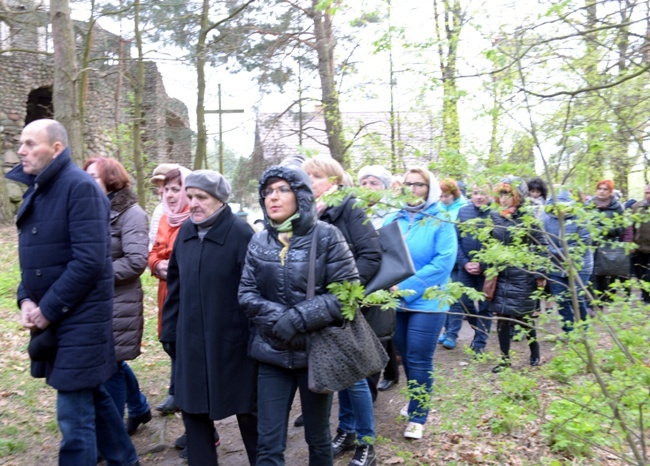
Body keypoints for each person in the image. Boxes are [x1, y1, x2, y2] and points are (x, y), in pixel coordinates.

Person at [6, 119, 140, 465]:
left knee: (74, 421)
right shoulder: (42, 188)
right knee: (93, 399)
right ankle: (126, 460)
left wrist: (47, 309)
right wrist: (26, 298)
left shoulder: (80, 188)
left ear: (56, 149)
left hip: (81, 321)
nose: (22, 150)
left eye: (31, 143)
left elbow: (89, 263)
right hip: (60, 316)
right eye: (21, 143)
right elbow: (38, 260)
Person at [238, 163, 359, 466]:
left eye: (282, 190)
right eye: (268, 191)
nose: (273, 197)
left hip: (315, 354)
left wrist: (300, 318)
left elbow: (347, 295)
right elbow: (246, 294)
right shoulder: (259, 240)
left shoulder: (328, 236)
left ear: (301, 196)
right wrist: (281, 319)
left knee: (318, 439)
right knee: (268, 444)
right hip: (272, 353)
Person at [161, 170, 258, 465]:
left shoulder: (241, 234)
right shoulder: (185, 235)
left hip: (233, 346)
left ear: (220, 200)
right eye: (190, 196)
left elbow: (255, 292)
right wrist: (169, 333)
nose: (193, 203)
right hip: (190, 344)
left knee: (250, 414)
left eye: (201, 197)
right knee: (193, 413)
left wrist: (254, 339)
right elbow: (174, 289)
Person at [304, 156, 382, 466]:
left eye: (317, 176)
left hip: (342, 303)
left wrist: (346, 290)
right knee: (339, 373)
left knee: (355, 376)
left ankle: (366, 442)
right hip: (315, 307)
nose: (310, 181)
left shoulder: (349, 207)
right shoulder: (308, 213)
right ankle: (347, 430)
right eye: (307, 175)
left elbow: (371, 255)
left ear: (334, 181)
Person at [384, 167, 458, 440]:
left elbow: (442, 264)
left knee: (419, 357)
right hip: (396, 302)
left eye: (419, 184)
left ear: (430, 189)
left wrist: (403, 287)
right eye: (408, 184)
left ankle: (418, 416)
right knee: (405, 357)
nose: (412, 189)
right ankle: (416, 400)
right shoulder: (393, 217)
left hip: (429, 302)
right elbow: (381, 253)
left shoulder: (442, 219)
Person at [83, 157, 152, 435]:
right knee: (113, 361)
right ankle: (138, 407)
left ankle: (112, 436)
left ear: (111, 180)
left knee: (111, 363)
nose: (87, 181)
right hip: (92, 301)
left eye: (93, 176)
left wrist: (93, 273)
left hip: (118, 302)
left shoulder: (132, 214)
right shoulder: (88, 209)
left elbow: (137, 261)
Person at [489, 177, 547, 373]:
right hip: (500, 275)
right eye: (501, 194)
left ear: (518, 196)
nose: (503, 199)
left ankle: (535, 352)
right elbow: (487, 243)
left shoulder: (528, 217)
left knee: (525, 318)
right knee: (502, 318)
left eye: (508, 194)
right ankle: (505, 360)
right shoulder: (494, 216)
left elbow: (542, 245)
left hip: (522, 275)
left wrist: (539, 273)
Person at [148, 166, 191, 418]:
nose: (170, 195)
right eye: (166, 190)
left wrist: (173, 264)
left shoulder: (193, 217)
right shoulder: (165, 217)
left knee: (183, 345)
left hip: (186, 293)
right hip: (166, 291)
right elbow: (153, 250)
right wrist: (156, 264)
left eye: (176, 189)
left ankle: (182, 397)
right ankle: (176, 392)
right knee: (169, 341)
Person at [358, 165, 400, 392]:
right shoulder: (355, 212)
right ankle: (392, 372)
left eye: (374, 183)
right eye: (363, 183)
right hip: (362, 283)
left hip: (385, 283)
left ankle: (370, 392)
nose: (368, 187)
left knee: (379, 334)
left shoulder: (393, 214)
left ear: (385, 188)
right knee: (381, 334)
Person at [443, 184, 493, 354]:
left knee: (485, 306)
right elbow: (455, 240)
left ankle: (479, 343)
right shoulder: (463, 212)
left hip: (487, 271)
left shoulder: (495, 214)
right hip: (466, 267)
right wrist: (464, 263)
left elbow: (499, 245)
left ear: (490, 195)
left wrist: (483, 265)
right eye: (476, 193)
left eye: (483, 193)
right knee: (463, 301)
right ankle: (479, 330)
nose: (479, 197)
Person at [542, 191, 593, 332]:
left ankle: (583, 329)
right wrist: (553, 251)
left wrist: (556, 251)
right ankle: (569, 331)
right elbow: (541, 241)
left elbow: (583, 242)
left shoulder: (580, 216)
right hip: (555, 267)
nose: (561, 210)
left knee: (576, 297)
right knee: (561, 299)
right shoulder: (545, 218)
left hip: (579, 265)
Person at [437, 178, 468, 350]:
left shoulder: (463, 209)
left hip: (458, 260)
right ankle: (447, 329)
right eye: (440, 196)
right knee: (443, 296)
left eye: (446, 195)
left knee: (456, 297)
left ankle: (452, 334)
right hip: (444, 259)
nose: (443, 199)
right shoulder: (439, 209)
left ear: (454, 194)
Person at [587, 180, 625, 304]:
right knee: (589, 274)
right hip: (590, 245)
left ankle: (602, 303)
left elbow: (622, 227)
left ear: (610, 192)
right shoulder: (588, 205)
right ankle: (590, 304)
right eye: (599, 188)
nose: (601, 192)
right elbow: (580, 223)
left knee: (603, 274)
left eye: (605, 189)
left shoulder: (617, 207)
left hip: (607, 246)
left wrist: (605, 230)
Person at [148, 163, 180, 248]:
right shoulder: (159, 210)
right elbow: (153, 243)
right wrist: (156, 261)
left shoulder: (192, 211)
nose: (160, 191)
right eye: (159, 186)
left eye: (164, 186)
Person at [631, 185, 650, 303]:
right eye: (646, 193)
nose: (648, 195)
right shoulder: (636, 207)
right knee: (640, 275)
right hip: (639, 247)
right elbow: (631, 227)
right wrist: (631, 243)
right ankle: (645, 295)